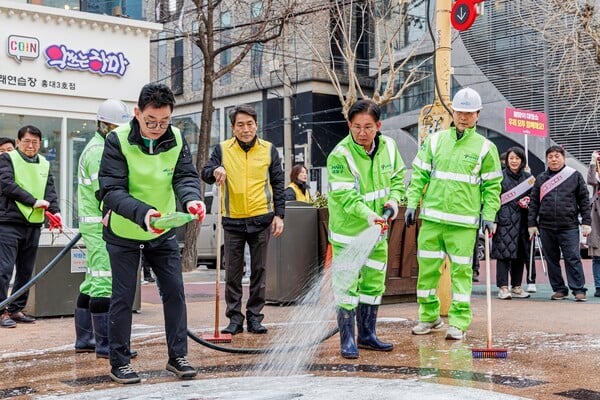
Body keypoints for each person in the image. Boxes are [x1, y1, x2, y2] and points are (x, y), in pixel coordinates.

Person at [98, 83, 205, 384]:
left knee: (174, 291)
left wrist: (192, 198)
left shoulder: (178, 138)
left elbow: (184, 176)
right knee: (122, 296)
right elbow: (111, 191)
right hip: (125, 229)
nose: (158, 127)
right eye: (150, 121)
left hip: (163, 228)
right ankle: (119, 361)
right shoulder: (117, 140)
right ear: (137, 113)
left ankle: (178, 356)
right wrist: (143, 213)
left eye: (164, 121)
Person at [405, 87, 502, 340]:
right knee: (427, 272)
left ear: (478, 115)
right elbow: (419, 175)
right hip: (433, 220)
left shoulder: (485, 148)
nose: (463, 116)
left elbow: (492, 186)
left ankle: (458, 322)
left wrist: (489, 213)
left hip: (463, 225)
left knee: (461, 275)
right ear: (453, 111)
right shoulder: (435, 141)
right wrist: (412, 203)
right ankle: (429, 317)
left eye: (469, 113)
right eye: (460, 111)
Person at [327, 99, 406, 358]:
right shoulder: (340, 155)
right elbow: (346, 197)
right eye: (357, 127)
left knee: (373, 284)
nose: (362, 133)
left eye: (368, 127)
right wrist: (370, 216)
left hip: (378, 233)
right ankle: (347, 339)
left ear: (378, 125)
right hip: (349, 234)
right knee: (347, 287)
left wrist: (394, 200)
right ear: (349, 125)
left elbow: (398, 178)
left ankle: (368, 335)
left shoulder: (390, 148)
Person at [201, 104, 284, 336]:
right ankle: (234, 318)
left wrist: (280, 215)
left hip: (261, 219)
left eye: (250, 124)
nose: (246, 129)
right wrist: (215, 170)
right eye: (240, 125)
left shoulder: (269, 150)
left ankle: (255, 317)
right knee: (233, 273)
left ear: (256, 125)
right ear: (233, 128)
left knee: (259, 271)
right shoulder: (222, 149)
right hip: (233, 220)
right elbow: (205, 172)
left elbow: (278, 183)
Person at [74, 99, 131, 357]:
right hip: (100, 225)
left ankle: (85, 339)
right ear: (102, 124)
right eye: (114, 126)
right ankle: (106, 345)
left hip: (95, 223)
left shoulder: (98, 146)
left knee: (90, 282)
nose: (118, 131)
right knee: (103, 282)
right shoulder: (99, 152)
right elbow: (104, 192)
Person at [0, 125, 61, 328]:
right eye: (26, 141)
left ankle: (16, 308)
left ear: (40, 144)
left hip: (34, 223)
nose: (31, 146)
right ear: (18, 142)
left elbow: (49, 190)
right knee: (4, 269)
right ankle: (1, 310)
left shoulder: (44, 163)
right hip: (9, 222)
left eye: (35, 142)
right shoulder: (7, 159)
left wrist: (56, 213)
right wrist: (33, 201)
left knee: (26, 270)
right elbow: (7, 184)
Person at [528, 145, 591, 301]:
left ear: (563, 158)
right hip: (546, 226)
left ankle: (578, 289)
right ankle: (559, 289)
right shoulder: (541, 178)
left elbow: (584, 200)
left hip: (569, 225)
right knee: (551, 260)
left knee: (572, 257)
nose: (553, 159)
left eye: (557, 156)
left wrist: (587, 222)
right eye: (550, 157)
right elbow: (534, 202)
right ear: (547, 159)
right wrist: (531, 224)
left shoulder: (574, 176)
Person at [491, 147, 534, 300]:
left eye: (517, 158)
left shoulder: (528, 178)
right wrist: (493, 220)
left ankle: (516, 286)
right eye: (511, 158)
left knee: (520, 255)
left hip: (523, 221)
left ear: (522, 160)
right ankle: (503, 287)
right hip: (505, 221)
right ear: (507, 160)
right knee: (503, 255)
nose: (514, 161)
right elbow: (493, 200)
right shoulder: (499, 177)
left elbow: (534, 199)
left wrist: (528, 201)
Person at [587, 150, 600, 297]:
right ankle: (598, 286)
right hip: (597, 221)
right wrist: (592, 162)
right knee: (597, 256)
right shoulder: (597, 183)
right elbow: (591, 180)